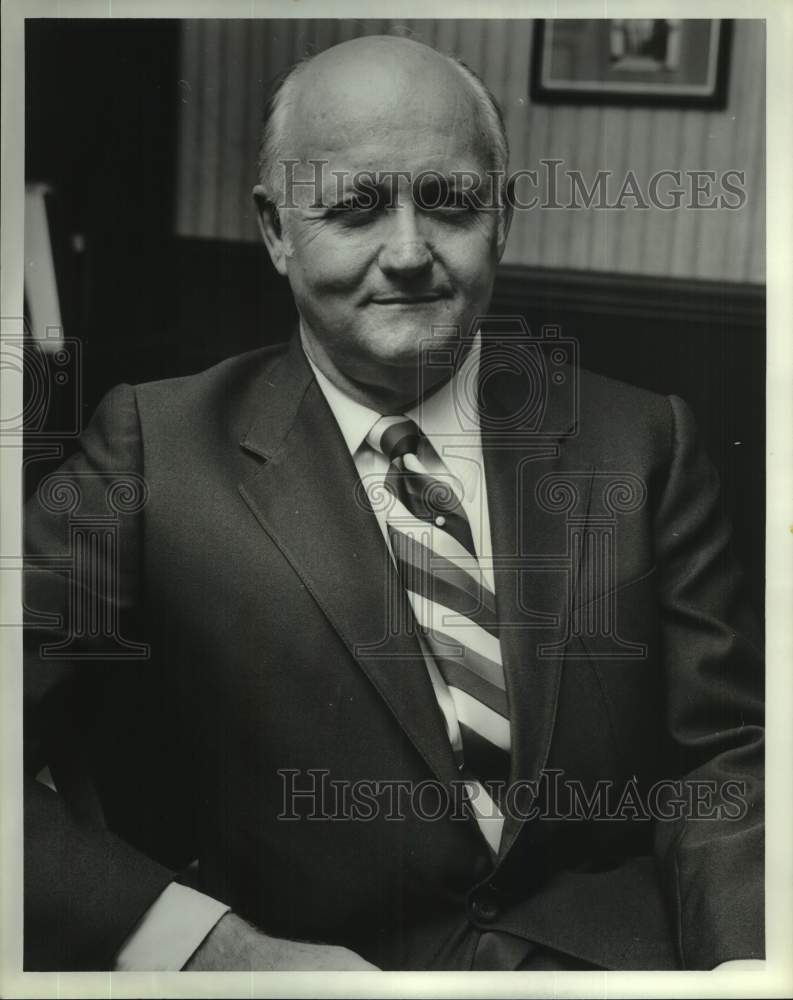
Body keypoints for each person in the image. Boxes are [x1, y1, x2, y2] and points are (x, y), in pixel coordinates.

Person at [23, 34, 763, 972]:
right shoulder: (152, 446)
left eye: (448, 202)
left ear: (500, 218)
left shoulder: (644, 441)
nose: (408, 251)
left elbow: (728, 754)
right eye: (356, 206)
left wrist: (747, 967)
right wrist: (210, 950)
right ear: (276, 229)